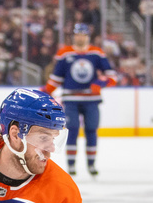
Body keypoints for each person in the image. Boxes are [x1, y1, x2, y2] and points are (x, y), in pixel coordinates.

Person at [41, 23, 117, 177]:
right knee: (72, 129)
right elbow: (56, 78)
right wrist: (45, 91)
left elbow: (112, 76)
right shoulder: (64, 53)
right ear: (73, 36)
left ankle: (91, 164)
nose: (80, 37)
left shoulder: (97, 53)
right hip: (71, 99)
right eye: (77, 34)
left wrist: (100, 83)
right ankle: (71, 165)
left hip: (92, 100)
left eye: (83, 34)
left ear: (87, 36)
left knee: (91, 130)